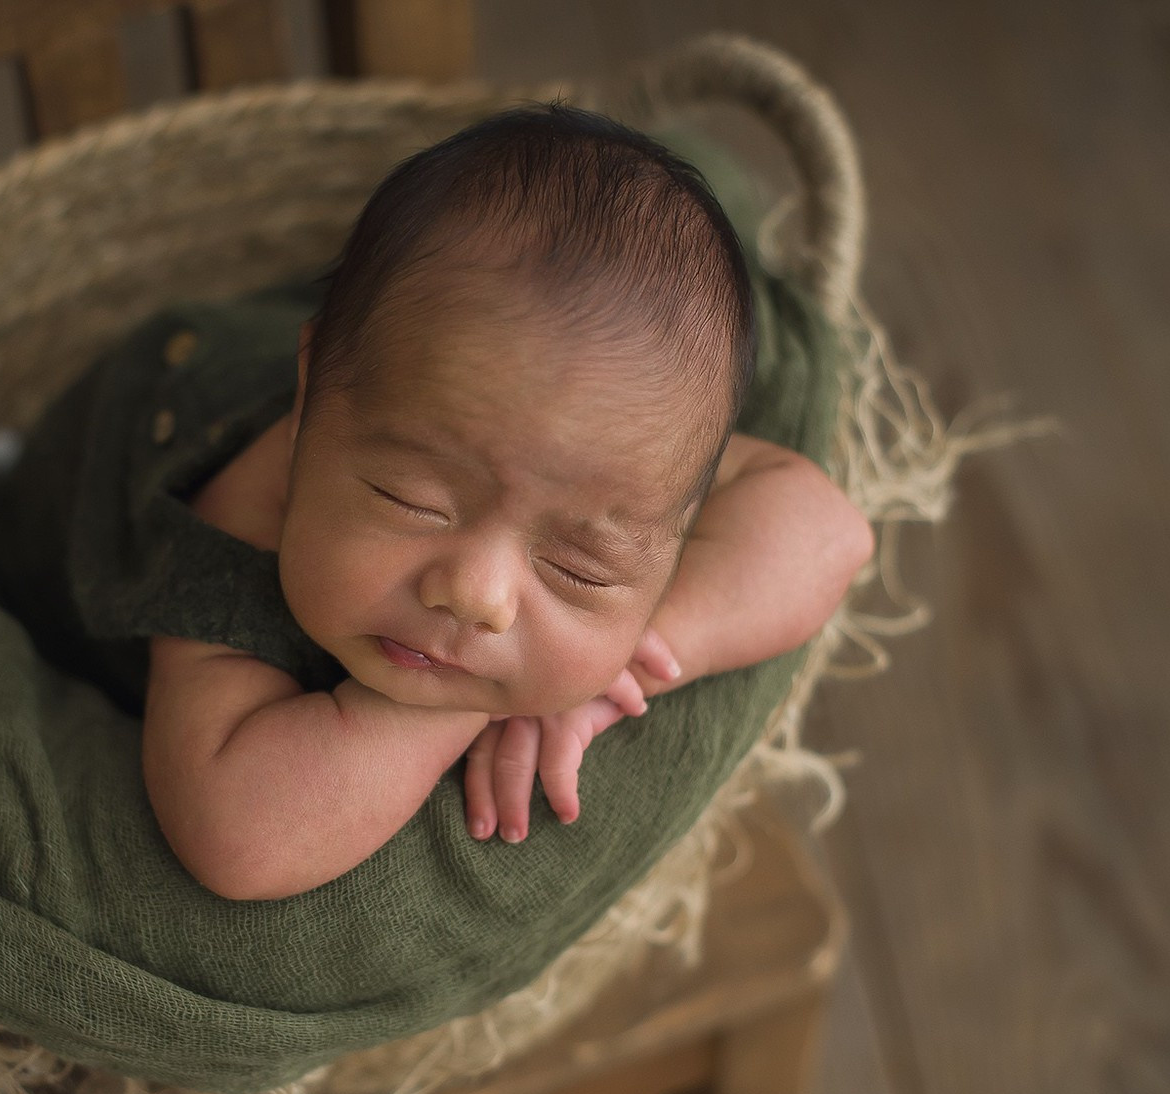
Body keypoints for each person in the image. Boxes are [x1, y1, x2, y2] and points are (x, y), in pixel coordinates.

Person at [135, 103, 875, 902]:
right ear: (311, 395)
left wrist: (633, 658)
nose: (477, 596)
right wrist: (476, 705)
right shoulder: (233, 525)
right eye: (412, 500)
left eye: (579, 566)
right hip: (158, 407)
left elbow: (829, 532)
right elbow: (243, 839)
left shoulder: (613, 456)